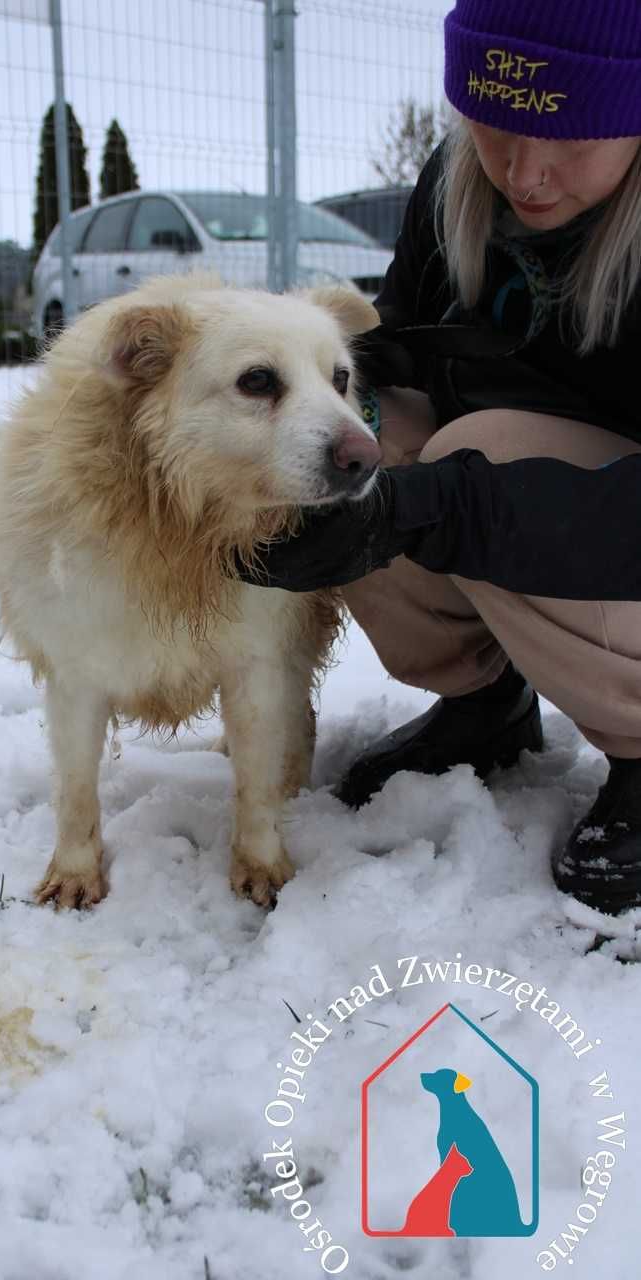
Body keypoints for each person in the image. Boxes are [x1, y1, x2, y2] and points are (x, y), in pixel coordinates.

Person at [237, 0, 641, 917]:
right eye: (494, 129)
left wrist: (430, 507)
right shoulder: (461, 181)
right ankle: (483, 704)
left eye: (568, 135)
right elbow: (395, 341)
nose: (524, 173)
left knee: (464, 457)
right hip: (541, 482)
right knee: (362, 435)